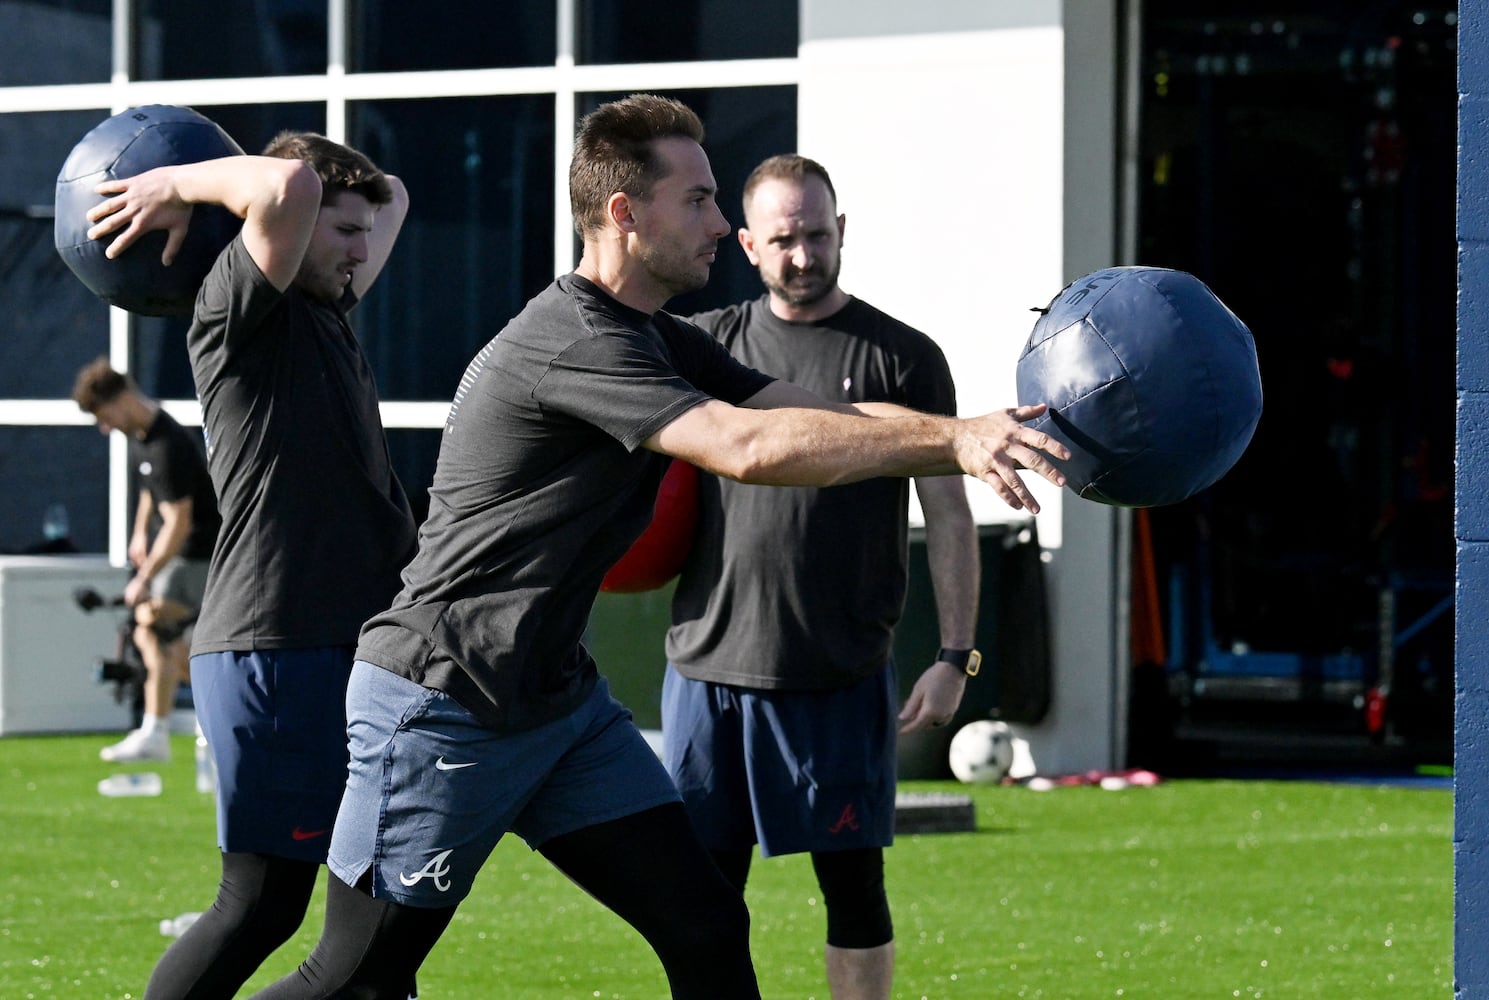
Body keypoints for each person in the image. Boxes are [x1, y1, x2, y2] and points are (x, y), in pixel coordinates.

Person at [247, 93, 1067, 1000]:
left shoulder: (658, 338)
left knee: (706, 920)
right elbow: (746, 449)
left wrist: (975, 428)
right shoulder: (573, 340)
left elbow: (810, 415)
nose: (723, 224)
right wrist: (950, 441)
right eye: (700, 201)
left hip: (557, 709)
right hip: (444, 700)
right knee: (359, 979)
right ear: (624, 215)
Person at [83, 130, 418, 999]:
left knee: (380, 910)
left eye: (359, 232)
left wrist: (349, 204)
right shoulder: (238, 309)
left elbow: (396, 196)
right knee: (261, 905)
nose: (359, 249)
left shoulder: (326, 308)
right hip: (278, 644)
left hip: (348, 644)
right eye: (339, 230)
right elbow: (283, 190)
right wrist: (178, 185)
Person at [662, 153, 979, 1000]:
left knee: (853, 893)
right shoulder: (706, 347)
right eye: (782, 239)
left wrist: (956, 655)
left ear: (841, 231)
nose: (802, 255)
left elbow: (949, 515)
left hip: (836, 671)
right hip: (707, 671)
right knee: (701, 901)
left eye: (815, 234)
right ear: (746, 244)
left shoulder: (904, 356)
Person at [72, 358, 221, 763]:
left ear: (119, 401)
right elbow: (149, 492)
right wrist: (139, 531)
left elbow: (178, 521)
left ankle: (168, 730)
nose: (105, 428)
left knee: (153, 625)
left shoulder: (167, 444)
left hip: (195, 556)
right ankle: (199, 724)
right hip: (178, 556)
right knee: (163, 641)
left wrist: (144, 577)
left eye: (103, 417)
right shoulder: (143, 436)